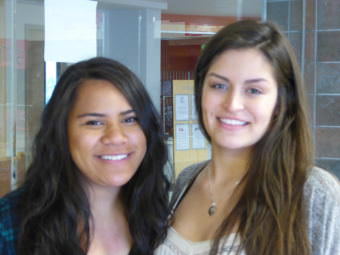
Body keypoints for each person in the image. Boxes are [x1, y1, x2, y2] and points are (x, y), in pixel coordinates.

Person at [156, 20, 340, 255]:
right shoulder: (187, 180)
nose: (232, 104)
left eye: (253, 90)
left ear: (280, 102)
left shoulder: (313, 193)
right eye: (218, 85)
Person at [0, 57, 170, 255]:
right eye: (94, 122)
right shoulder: (10, 224)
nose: (116, 137)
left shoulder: (161, 218)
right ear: (62, 132)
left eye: (130, 119)